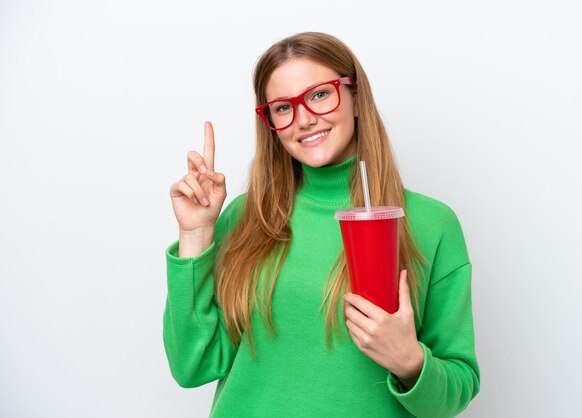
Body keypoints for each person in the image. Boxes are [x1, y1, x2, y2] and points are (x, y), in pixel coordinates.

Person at [164, 32, 480, 417]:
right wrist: (195, 235)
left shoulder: (431, 224)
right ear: (271, 123)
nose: (304, 118)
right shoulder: (247, 218)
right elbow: (191, 366)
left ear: (356, 97)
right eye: (283, 107)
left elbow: (454, 392)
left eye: (319, 94)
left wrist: (409, 360)